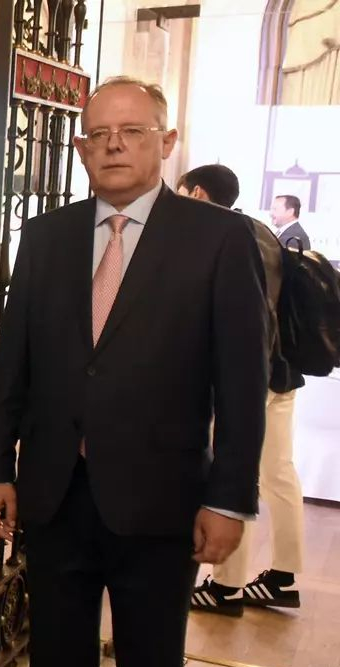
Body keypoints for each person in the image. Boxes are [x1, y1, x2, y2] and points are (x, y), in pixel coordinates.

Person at [0, 78, 268, 667]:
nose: (111, 145)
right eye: (96, 134)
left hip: (161, 500)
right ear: (79, 148)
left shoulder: (218, 239)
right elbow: (14, 369)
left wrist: (230, 498)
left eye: (130, 131)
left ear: (165, 142)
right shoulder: (48, 236)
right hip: (58, 493)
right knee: (57, 660)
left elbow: (241, 386)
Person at [179, 165, 306, 616]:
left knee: (237, 469)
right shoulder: (265, 233)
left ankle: (227, 585)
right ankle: (285, 575)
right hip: (282, 371)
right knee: (278, 472)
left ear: (197, 192)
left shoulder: (223, 235)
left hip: (249, 374)